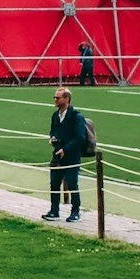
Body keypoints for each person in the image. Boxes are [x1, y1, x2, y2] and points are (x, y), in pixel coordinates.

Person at [45, 87, 96, 222]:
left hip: (72, 156)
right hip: (57, 155)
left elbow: (80, 137)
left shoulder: (76, 117)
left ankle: (75, 211)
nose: (55, 100)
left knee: (73, 184)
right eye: (55, 97)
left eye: (58, 98)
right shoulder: (56, 115)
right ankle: (54, 211)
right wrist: (52, 138)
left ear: (66, 99)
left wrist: (65, 149)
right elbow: (53, 131)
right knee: (54, 184)